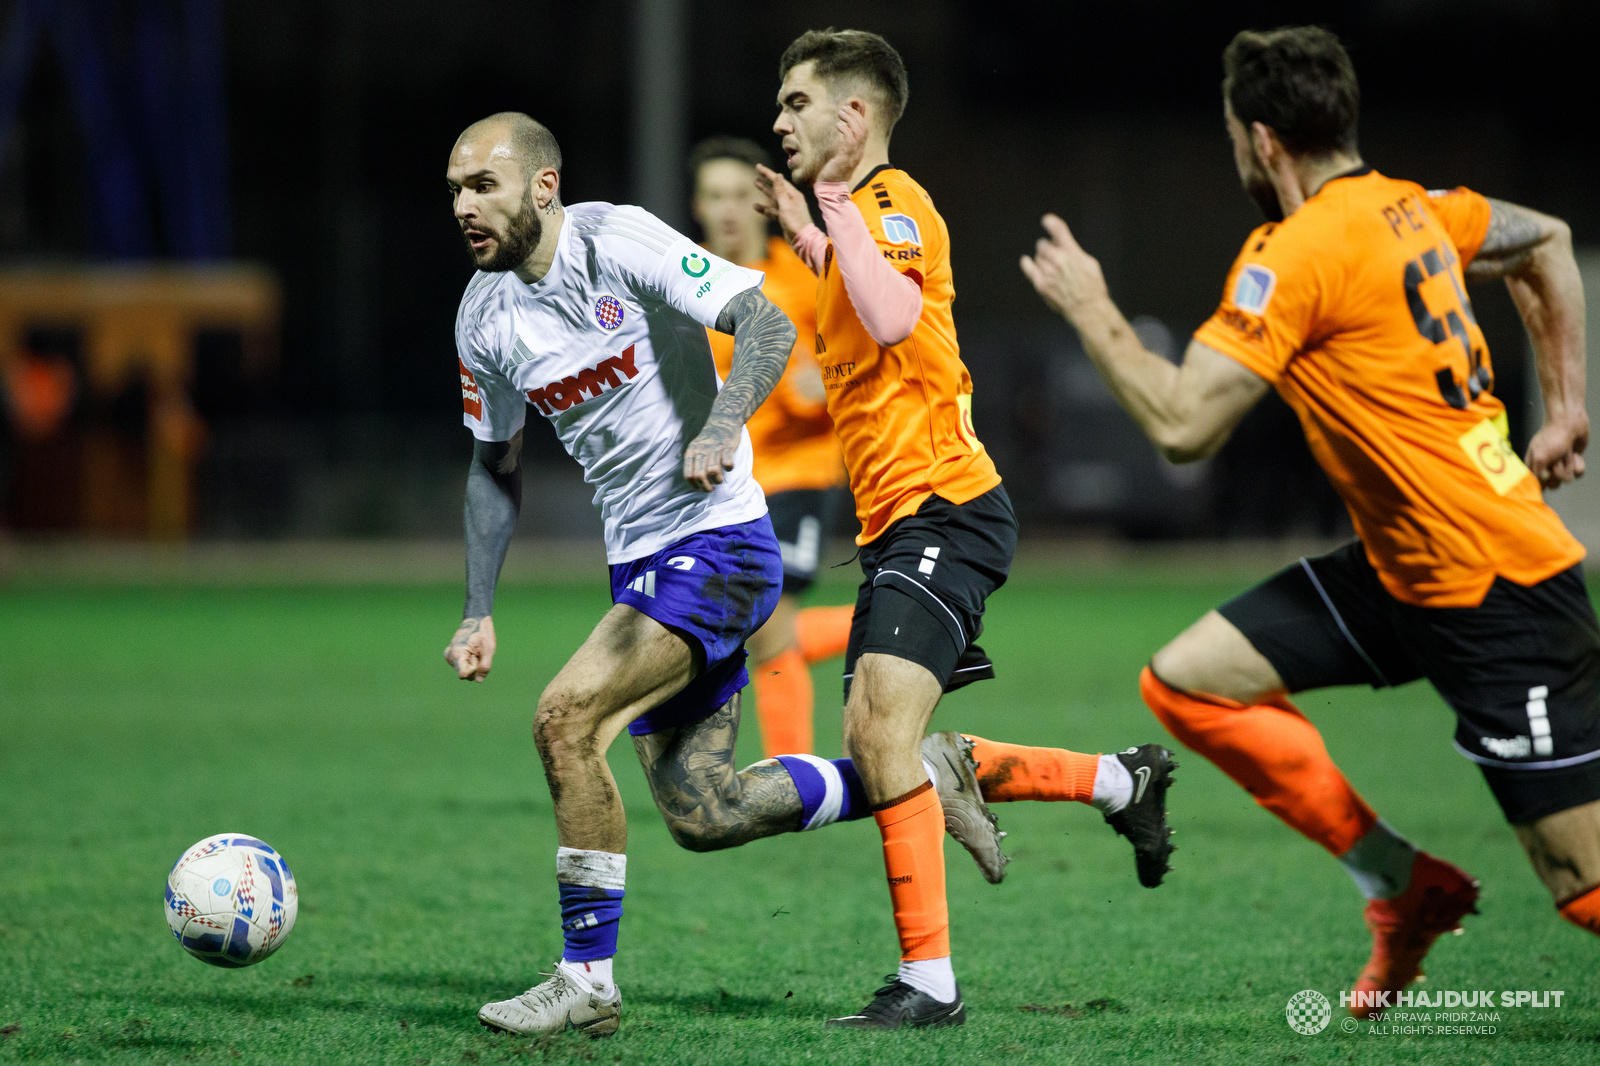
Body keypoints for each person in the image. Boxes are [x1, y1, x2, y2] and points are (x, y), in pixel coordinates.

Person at [441, 111, 1157, 1040]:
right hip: (642, 565)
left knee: (565, 718)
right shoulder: (484, 315)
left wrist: (722, 421)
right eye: (454, 188)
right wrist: (477, 609)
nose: (463, 205)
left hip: (724, 543)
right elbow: (494, 467)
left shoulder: (615, 241)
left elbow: (763, 319)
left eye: (481, 186)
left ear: (543, 186)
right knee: (706, 811)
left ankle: (586, 979)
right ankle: (923, 774)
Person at [1020, 26, 1599, 1020]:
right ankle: (1399, 884)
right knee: (1189, 682)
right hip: (1407, 568)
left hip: (1497, 585)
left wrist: (1092, 310)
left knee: (1580, 885)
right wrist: (1565, 404)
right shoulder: (1412, 207)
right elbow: (1543, 238)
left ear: (1259, 140)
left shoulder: (1293, 254)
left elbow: (1181, 425)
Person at [755, 29, 1178, 1030]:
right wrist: (814, 237)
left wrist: (830, 216)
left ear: (853, 120)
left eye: (796, 103)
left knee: (883, 735)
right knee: (876, 743)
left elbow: (896, 313)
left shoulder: (893, 205)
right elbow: (862, 302)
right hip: (900, 522)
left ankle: (928, 985)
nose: (778, 121)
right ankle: (1121, 780)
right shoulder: (855, 220)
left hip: (946, 504)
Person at [689, 135, 854, 757]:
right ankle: (900, 626)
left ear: (762, 203)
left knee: (766, 626)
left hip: (798, 472)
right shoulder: (688, 284)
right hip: (724, 482)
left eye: (739, 195)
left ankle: (795, 777)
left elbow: (867, 361)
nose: (728, 209)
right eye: (714, 196)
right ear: (697, 206)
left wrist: (828, 385)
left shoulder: (807, 275)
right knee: (747, 629)